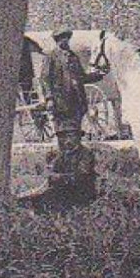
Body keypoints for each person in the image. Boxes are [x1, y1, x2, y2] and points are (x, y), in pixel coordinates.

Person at [41, 30, 96, 200]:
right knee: (65, 138)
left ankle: (77, 173)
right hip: (60, 104)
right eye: (62, 39)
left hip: (76, 104)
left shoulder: (73, 57)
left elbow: (81, 78)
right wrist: (49, 98)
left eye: (67, 38)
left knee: (75, 137)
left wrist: (96, 76)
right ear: (57, 40)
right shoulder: (51, 56)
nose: (65, 41)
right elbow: (44, 79)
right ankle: (65, 176)